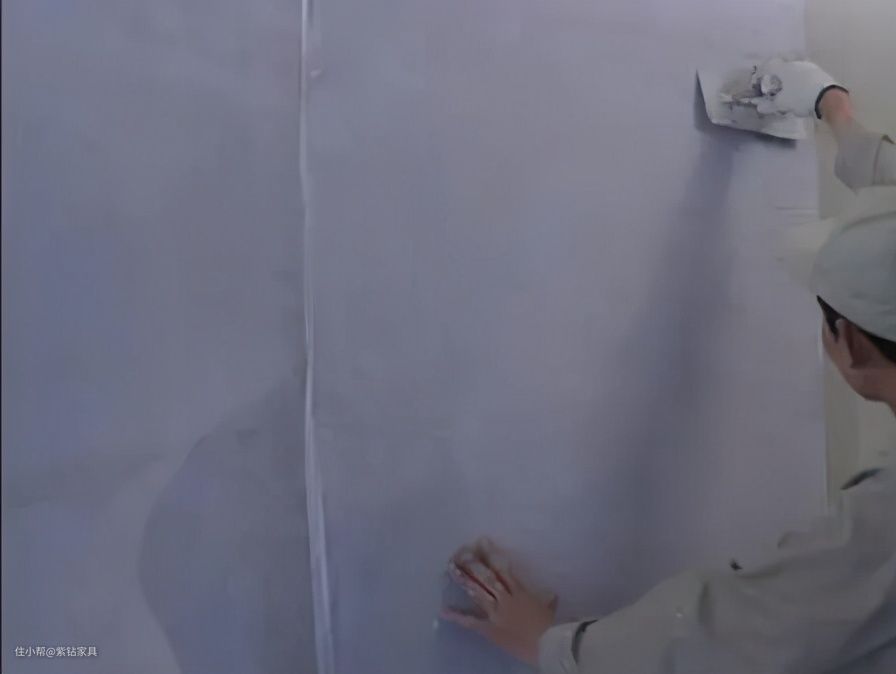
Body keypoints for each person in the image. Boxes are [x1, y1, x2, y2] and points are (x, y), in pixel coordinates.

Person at [442, 59, 896, 673]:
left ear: (852, 345)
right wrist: (829, 105)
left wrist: (554, 648)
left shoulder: (880, 526)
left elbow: (731, 633)